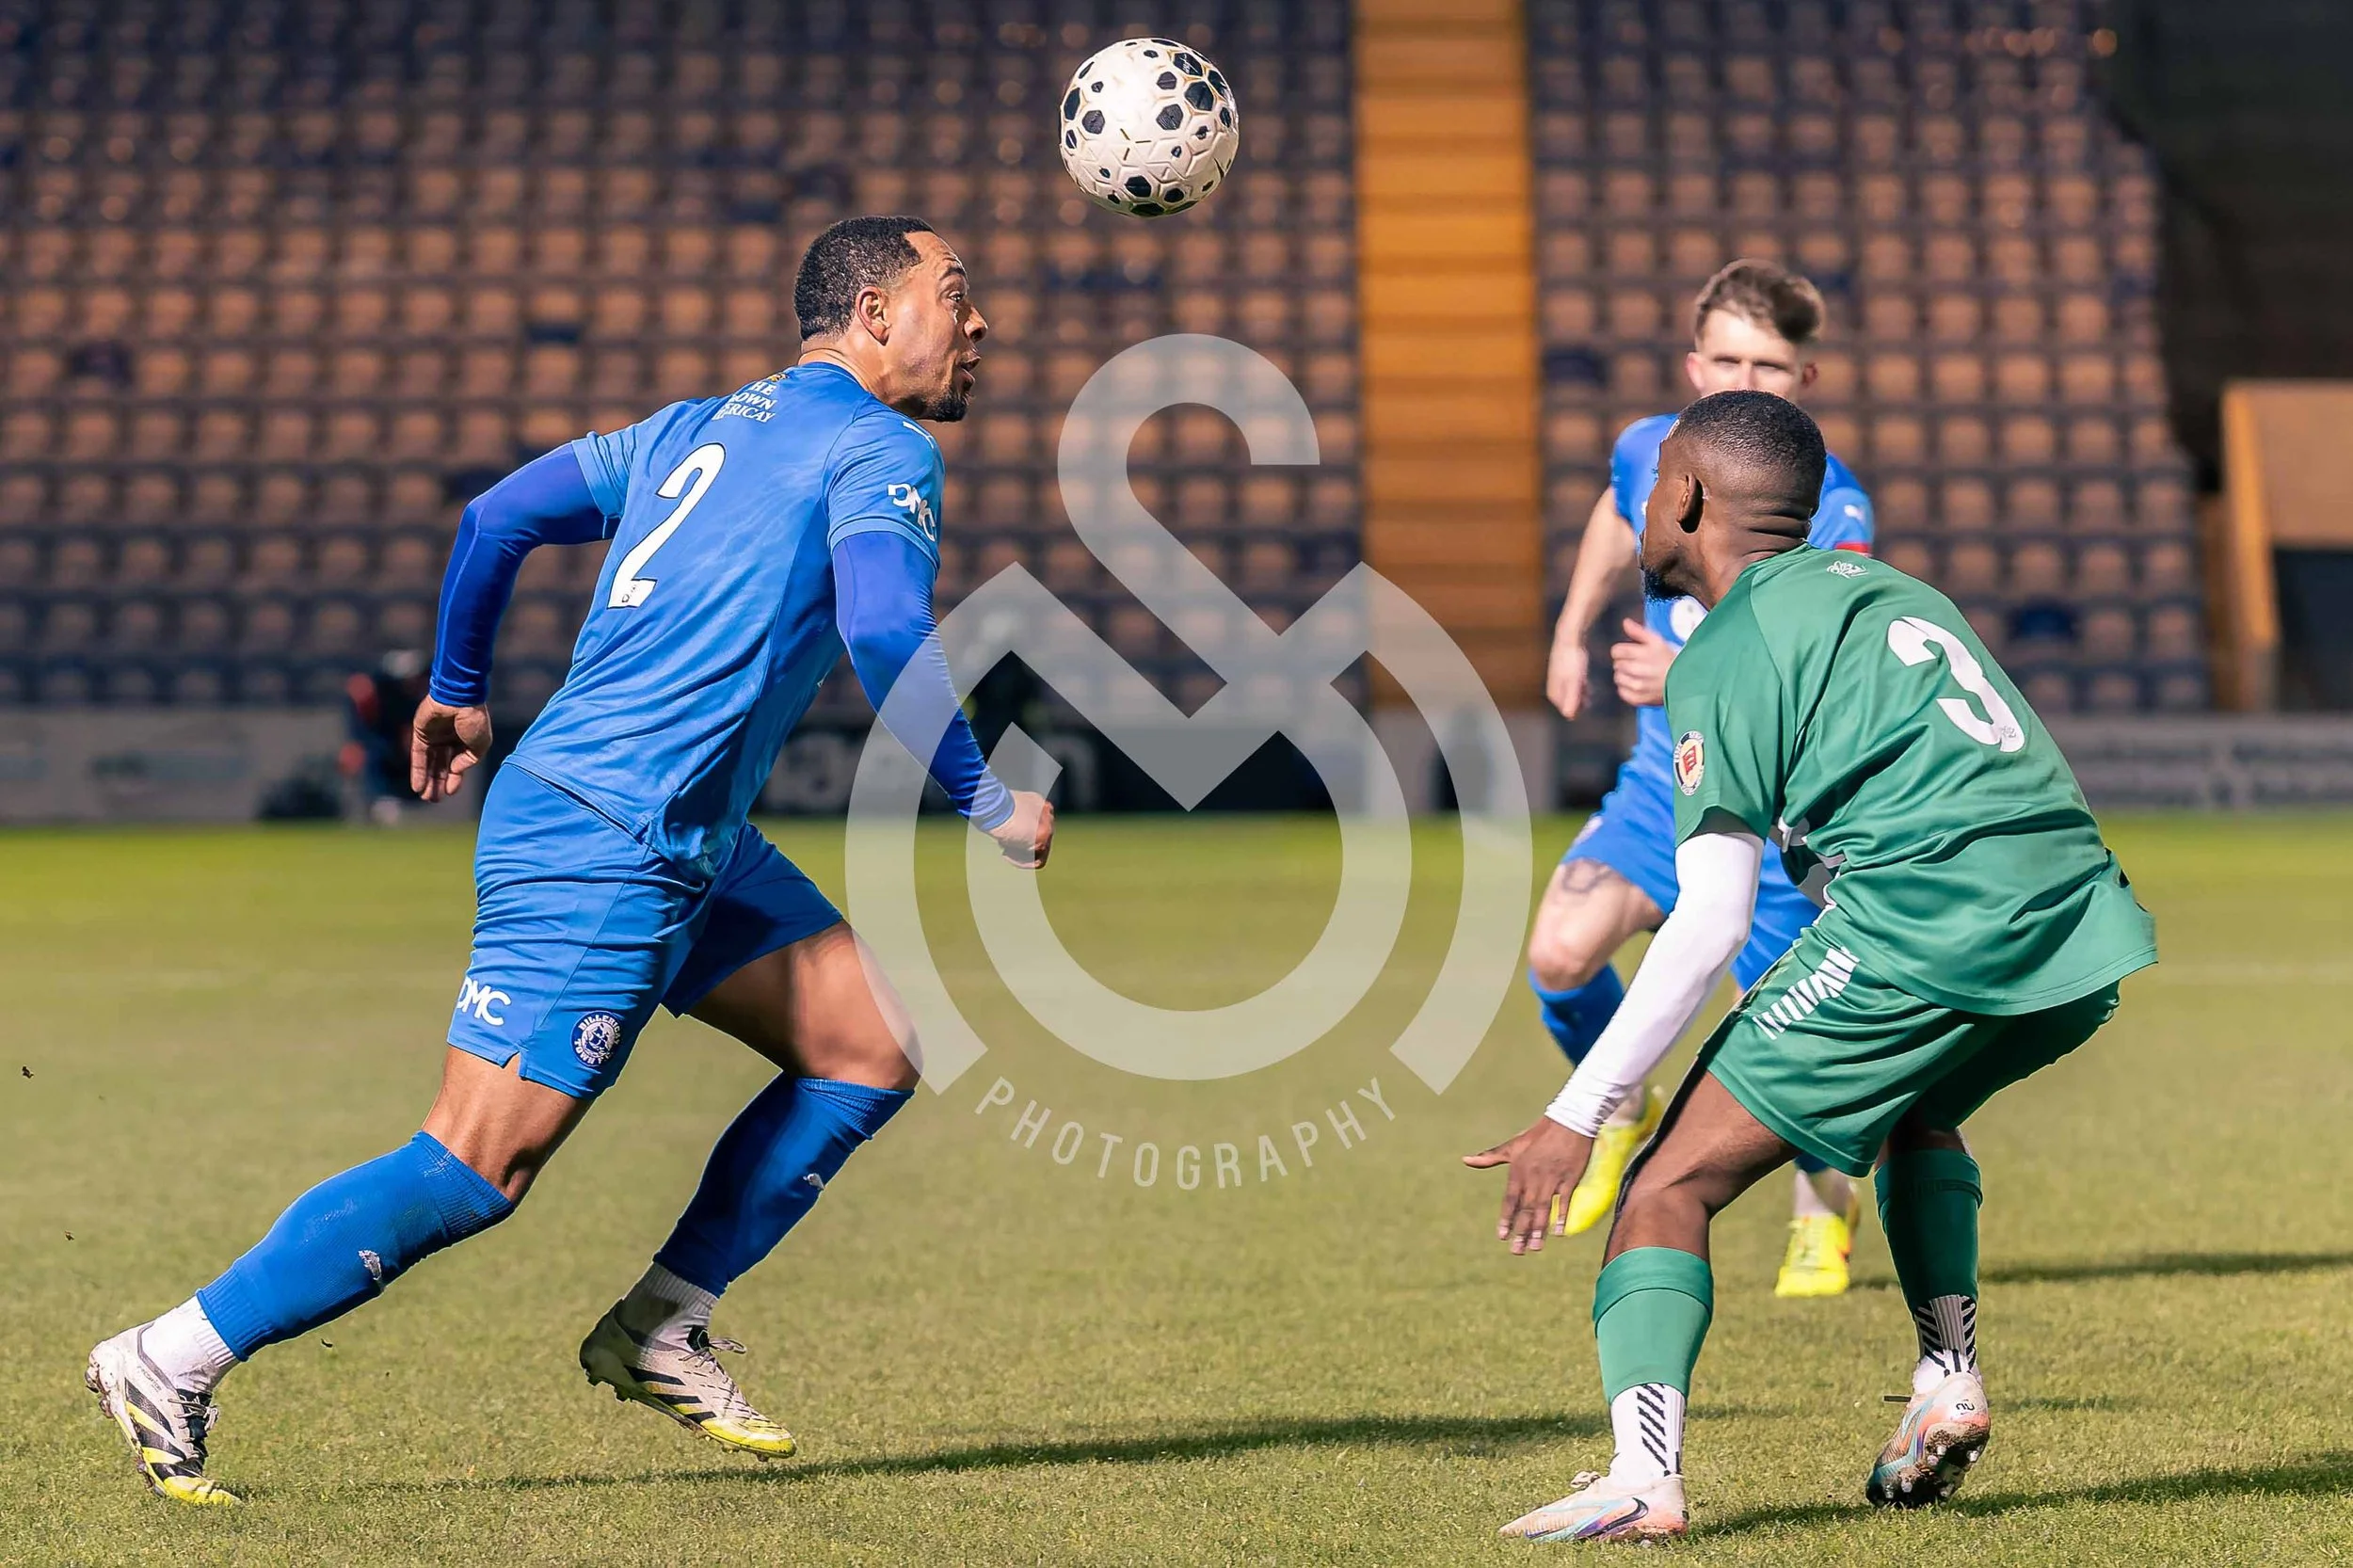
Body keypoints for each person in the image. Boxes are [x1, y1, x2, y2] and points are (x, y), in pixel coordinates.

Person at [85, 216, 1052, 1506]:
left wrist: (459, 687)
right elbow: (881, 626)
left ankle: (660, 1323)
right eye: (955, 294)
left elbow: (495, 516)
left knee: (868, 1044)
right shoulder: (881, 447)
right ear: (876, 313)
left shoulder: (686, 429)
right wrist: (986, 801)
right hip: (607, 833)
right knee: (477, 1163)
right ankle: (168, 1355)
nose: (977, 323)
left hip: (673, 825)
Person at [1470, 391, 2156, 1543]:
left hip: (1925, 921)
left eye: (1652, 488)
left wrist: (1580, 1109)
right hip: (2078, 923)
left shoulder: (1727, 647)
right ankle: (1947, 1376)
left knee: (1664, 1188)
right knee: (1914, 1110)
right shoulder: (1895, 591)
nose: (1642, 508)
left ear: (1686, 497)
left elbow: (1709, 921)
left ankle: (1643, 1477)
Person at [1529, 260, 1877, 1297]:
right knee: (1558, 952)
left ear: (1805, 376)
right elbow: (1610, 508)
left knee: (1781, 1033)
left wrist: (1689, 670)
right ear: (1693, 363)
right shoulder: (1653, 449)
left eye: (1768, 364)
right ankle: (1617, 1101)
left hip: (1769, 810)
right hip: (1658, 785)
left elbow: (1820, 656)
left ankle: (1826, 1208)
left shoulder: (1833, 505)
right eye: (1725, 358)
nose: (1745, 378)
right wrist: (1570, 627)